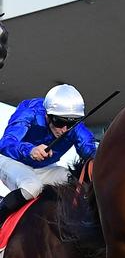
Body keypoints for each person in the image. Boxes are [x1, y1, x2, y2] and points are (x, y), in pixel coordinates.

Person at [0, 84, 96, 224]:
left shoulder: (74, 126)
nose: (64, 129)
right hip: (11, 160)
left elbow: (89, 149)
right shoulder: (30, 110)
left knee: (76, 184)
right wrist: (30, 150)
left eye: (70, 125)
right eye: (59, 122)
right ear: (47, 116)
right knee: (32, 186)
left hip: (46, 168)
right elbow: (6, 143)